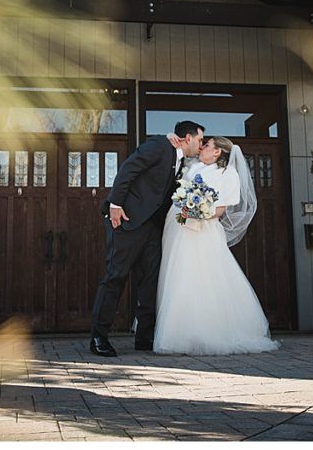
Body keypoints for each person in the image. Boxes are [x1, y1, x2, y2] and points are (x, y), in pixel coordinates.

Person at [154, 135, 280, 355]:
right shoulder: (193, 167)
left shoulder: (228, 174)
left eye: (207, 145)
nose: (201, 148)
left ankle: (209, 332)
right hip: (180, 228)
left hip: (204, 231)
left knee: (205, 277)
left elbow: (220, 210)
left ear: (217, 152)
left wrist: (197, 213)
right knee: (180, 275)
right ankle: (181, 332)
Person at [89, 120, 204, 357]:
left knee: (150, 282)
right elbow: (128, 169)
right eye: (200, 140)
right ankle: (98, 337)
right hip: (127, 220)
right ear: (187, 137)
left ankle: (144, 337)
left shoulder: (182, 160)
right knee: (115, 277)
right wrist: (115, 204)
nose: (201, 145)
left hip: (153, 228)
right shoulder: (160, 145)